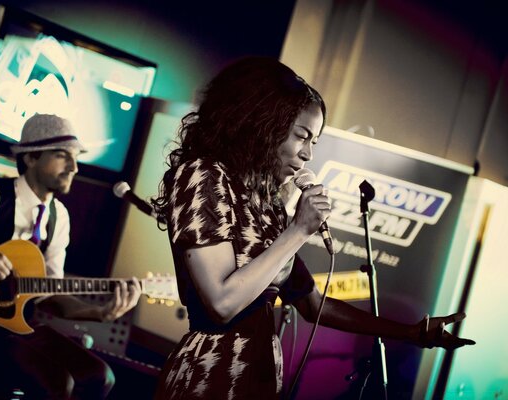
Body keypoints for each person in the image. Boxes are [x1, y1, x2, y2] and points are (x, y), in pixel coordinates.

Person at [150, 57, 475, 400]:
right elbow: (221, 303)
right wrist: (298, 231)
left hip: (260, 371)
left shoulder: (267, 203)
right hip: (211, 371)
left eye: (314, 143)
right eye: (301, 136)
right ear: (262, 126)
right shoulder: (203, 176)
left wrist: (412, 333)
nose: (307, 154)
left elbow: (314, 305)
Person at [0, 113, 142, 399]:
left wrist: (100, 313)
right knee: (58, 384)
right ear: (31, 159)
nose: (74, 167)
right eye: (61, 156)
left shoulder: (59, 218)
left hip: (13, 326)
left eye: (76, 158)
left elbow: (49, 293)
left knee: (100, 378)